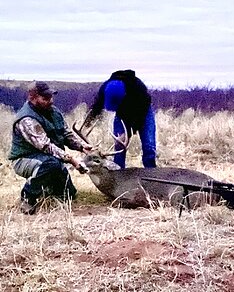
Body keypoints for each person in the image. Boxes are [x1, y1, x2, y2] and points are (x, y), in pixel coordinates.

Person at [8, 81, 92, 214]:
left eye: (51, 97)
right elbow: (46, 146)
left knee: (69, 194)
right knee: (51, 164)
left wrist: (82, 147)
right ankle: (27, 198)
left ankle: (47, 190)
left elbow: (66, 134)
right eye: (45, 98)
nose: (50, 101)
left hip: (49, 158)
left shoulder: (54, 112)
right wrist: (72, 160)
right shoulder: (27, 119)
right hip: (25, 159)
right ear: (32, 97)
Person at [83, 69, 156, 169]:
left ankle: (151, 174)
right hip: (122, 114)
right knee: (119, 146)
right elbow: (97, 106)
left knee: (149, 147)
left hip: (143, 113)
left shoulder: (138, 89)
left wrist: (128, 133)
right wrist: (88, 123)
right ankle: (118, 174)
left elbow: (139, 117)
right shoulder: (104, 88)